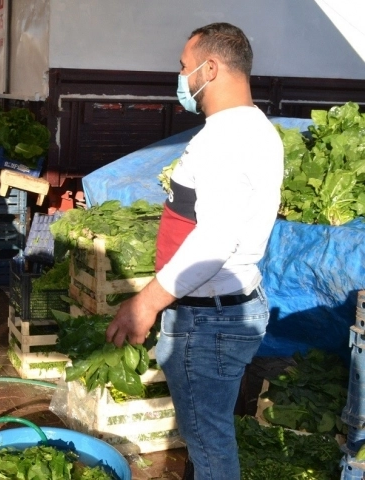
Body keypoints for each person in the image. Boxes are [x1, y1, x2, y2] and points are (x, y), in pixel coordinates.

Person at [104, 22, 283, 480]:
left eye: (184, 68)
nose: (181, 79)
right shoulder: (255, 128)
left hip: (208, 320)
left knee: (208, 441)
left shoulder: (225, 139)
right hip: (223, 311)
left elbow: (215, 239)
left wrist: (145, 303)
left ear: (211, 67)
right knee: (208, 434)